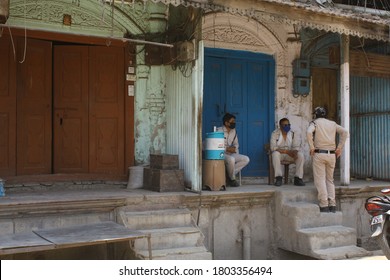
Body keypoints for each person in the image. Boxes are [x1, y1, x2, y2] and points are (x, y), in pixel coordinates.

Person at [306, 106, 349, 213]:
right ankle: (332, 204)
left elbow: (308, 132)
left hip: (320, 154)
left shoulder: (315, 123)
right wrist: (339, 148)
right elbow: (344, 132)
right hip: (332, 155)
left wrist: (311, 147)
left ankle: (324, 204)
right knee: (330, 180)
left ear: (315, 114)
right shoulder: (332, 123)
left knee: (320, 179)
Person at [217, 113, 250, 187]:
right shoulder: (218, 131)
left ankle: (228, 176)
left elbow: (236, 144)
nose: (234, 123)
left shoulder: (233, 131)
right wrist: (227, 149)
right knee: (231, 159)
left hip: (230, 153)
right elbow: (215, 145)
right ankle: (232, 179)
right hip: (220, 153)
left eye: (234, 121)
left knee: (246, 159)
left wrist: (234, 149)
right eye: (232, 121)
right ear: (226, 123)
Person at [270, 118, 305, 187]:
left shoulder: (293, 133)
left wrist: (295, 152)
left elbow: (296, 146)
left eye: (288, 124)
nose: (287, 126)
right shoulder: (275, 133)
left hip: (290, 154)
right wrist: (286, 151)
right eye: (285, 125)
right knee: (275, 154)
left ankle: (298, 179)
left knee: (300, 155)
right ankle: (278, 178)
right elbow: (273, 147)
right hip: (280, 154)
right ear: (280, 126)